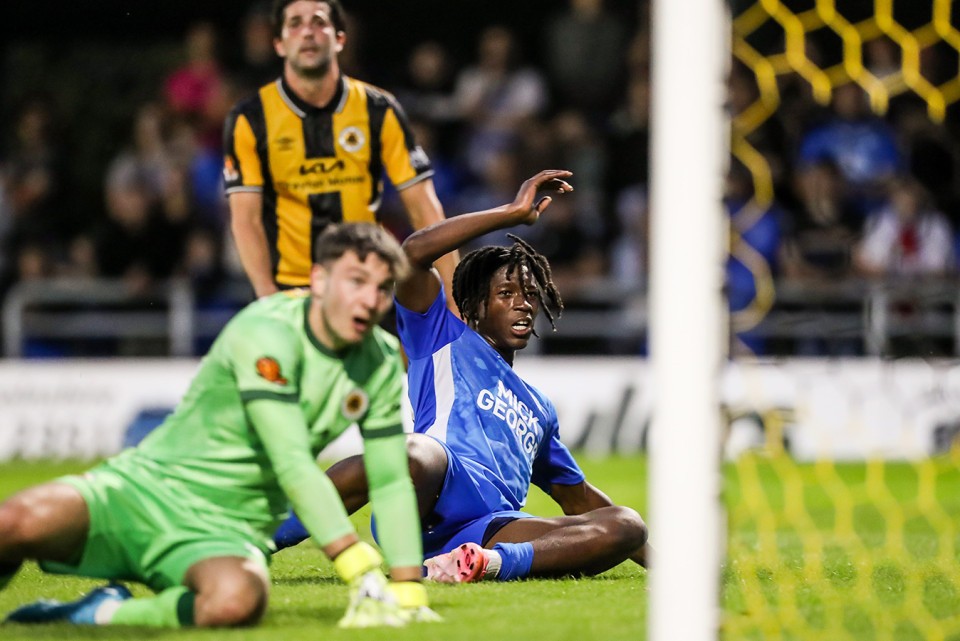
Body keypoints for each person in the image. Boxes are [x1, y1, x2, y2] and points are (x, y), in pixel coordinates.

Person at [0, 223, 438, 628]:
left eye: (382, 289)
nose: (370, 300)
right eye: (356, 282)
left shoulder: (379, 361)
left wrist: (407, 590)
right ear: (319, 281)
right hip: (141, 490)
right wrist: (355, 565)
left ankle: (101, 612)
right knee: (13, 522)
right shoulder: (268, 332)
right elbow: (290, 461)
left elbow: (389, 480)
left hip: (229, 529)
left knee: (236, 600)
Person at [274, 170, 649, 581]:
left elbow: (578, 499)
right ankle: (261, 536)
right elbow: (412, 253)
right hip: (428, 490)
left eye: (530, 296)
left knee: (626, 524)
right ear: (475, 307)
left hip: (491, 528)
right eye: (506, 295)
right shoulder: (441, 336)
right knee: (414, 452)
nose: (523, 305)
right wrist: (510, 214)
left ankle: (478, 566)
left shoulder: (539, 409)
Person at [223, 0, 456, 307]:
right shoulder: (250, 118)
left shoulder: (378, 108)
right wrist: (268, 301)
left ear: (340, 38)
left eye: (319, 22)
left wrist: (455, 297)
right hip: (290, 294)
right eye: (295, 24)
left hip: (367, 289)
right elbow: (245, 220)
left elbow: (423, 206)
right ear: (279, 44)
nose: (308, 32)